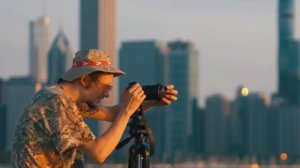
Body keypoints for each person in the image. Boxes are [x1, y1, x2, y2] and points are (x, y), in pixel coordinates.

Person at [12, 49, 178, 167]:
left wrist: (153, 102)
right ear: (84, 80)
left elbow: (113, 114)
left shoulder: (65, 99)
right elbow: (99, 153)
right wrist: (127, 109)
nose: (107, 94)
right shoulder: (57, 103)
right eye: (105, 87)